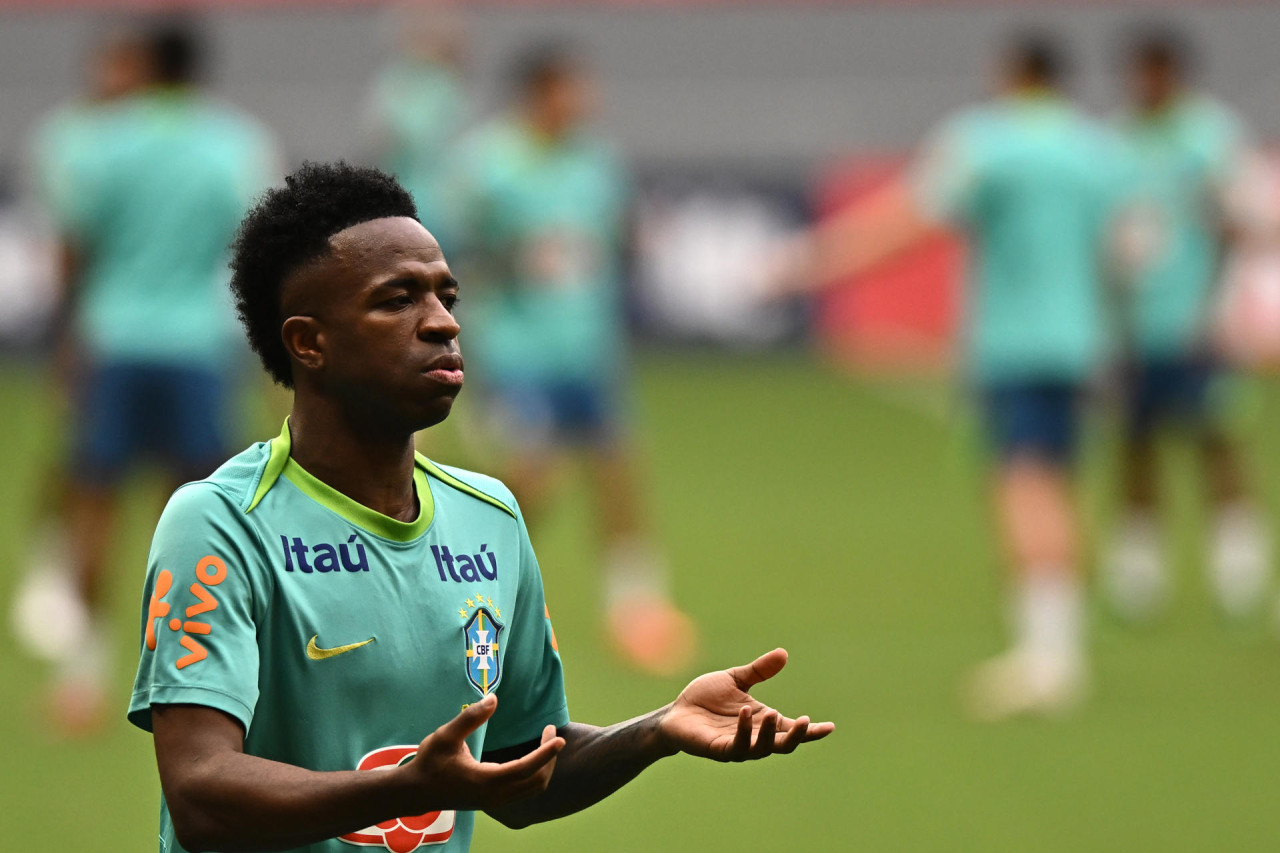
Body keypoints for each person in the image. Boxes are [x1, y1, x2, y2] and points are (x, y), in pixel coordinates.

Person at [128, 161, 833, 853]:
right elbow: (200, 794)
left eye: (447, 297)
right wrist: (408, 788)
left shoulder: (489, 516)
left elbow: (524, 769)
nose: (442, 324)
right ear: (309, 341)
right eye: (398, 299)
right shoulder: (221, 523)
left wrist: (657, 728)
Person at [779, 34, 1118, 719]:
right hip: (1080, 340)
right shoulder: (1095, 150)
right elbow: (1127, 245)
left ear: (1009, 75)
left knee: (1023, 486)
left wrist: (807, 263)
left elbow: (907, 221)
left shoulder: (987, 143)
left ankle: (1046, 658)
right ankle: (1061, 644)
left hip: (1016, 344)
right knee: (1058, 483)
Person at [21, 20, 277, 732]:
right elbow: (251, 252)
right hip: (198, 346)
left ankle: (83, 673)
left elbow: (75, 245)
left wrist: (70, 333)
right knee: (197, 514)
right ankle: (196, 670)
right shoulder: (235, 143)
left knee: (95, 503)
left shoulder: (101, 142)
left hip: (116, 338)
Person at [448, 44, 696, 675]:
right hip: (516, 352)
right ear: (537, 94)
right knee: (532, 481)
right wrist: (512, 266)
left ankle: (636, 608)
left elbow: (621, 242)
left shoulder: (598, 163)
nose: (582, 103)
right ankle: (471, 592)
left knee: (617, 473)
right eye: (569, 90)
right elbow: (451, 255)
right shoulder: (486, 165)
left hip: (587, 350)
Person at [1103, 26, 1271, 621]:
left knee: (1216, 440)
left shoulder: (1208, 137)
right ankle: (1138, 575)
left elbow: (1238, 224)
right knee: (1136, 444)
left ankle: (1240, 570)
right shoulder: (1117, 141)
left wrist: (1219, 305)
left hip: (1197, 323)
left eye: (1154, 72)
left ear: (1174, 74)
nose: (1144, 84)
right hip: (1134, 326)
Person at [364, 4, 468, 251]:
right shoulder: (395, 84)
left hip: (442, 207)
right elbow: (386, 141)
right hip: (403, 199)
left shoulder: (447, 87)